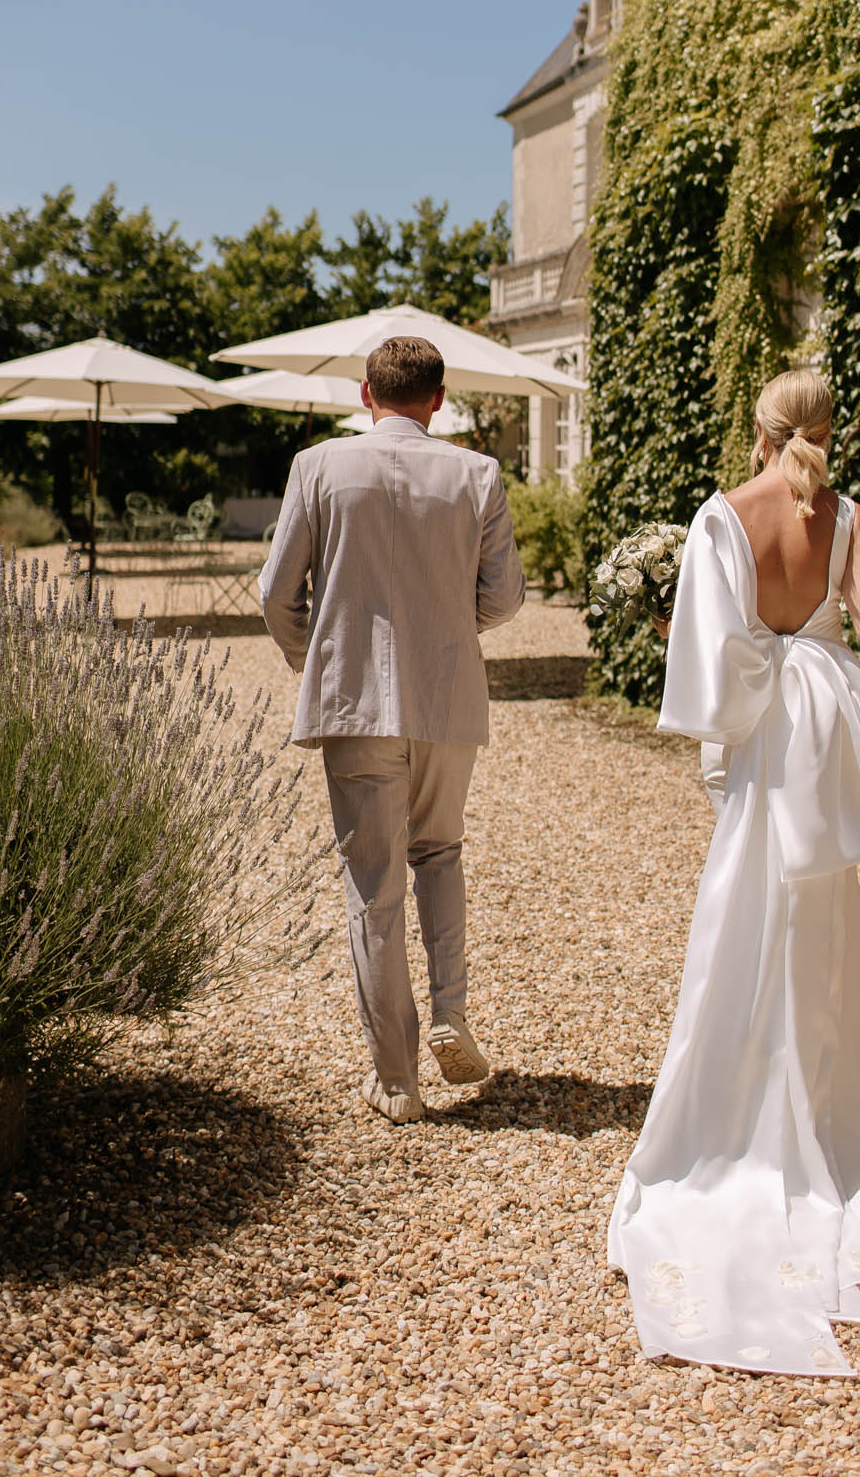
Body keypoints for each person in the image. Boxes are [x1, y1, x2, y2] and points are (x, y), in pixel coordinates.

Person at [607, 368, 860, 1375]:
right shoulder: (849, 516)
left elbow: (708, 664)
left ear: (758, 427)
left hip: (761, 744)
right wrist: (852, 586)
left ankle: (733, 1101)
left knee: (740, 914)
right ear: (832, 431)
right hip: (822, 741)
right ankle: (817, 1099)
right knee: (820, 918)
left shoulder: (721, 516)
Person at [259, 334, 526, 1126]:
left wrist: (319, 655)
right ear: (438, 399)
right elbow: (505, 596)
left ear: (365, 394)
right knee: (439, 852)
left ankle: (398, 1080)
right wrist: (446, 626)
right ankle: (450, 1007)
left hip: (354, 702)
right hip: (447, 696)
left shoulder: (319, 467)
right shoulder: (477, 473)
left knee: (372, 884)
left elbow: (278, 592)